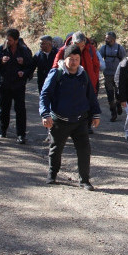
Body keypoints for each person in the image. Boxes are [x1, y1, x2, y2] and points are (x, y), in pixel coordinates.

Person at [40, 44, 102, 191]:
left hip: (80, 120)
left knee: (84, 150)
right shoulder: (56, 74)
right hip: (60, 120)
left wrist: (96, 114)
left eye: (76, 59)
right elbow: (45, 95)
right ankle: (52, 174)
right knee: (56, 148)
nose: (74, 62)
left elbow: (91, 96)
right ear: (65, 59)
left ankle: (84, 180)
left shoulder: (83, 74)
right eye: (71, 59)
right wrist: (45, 114)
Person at [52, 32, 101, 133]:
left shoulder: (90, 49)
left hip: (88, 81)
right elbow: (55, 67)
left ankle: (87, 126)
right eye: (78, 46)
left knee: (89, 102)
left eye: (82, 46)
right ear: (72, 43)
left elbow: (96, 65)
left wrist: (94, 79)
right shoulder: (63, 50)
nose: (80, 49)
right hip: (69, 82)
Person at [0, 28, 33, 144]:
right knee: (4, 108)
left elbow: (31, 65)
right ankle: (3, 130)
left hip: (18, 85)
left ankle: (21, 134)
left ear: (16, 40)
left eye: (10, 40)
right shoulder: (1, 48)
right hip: (4, 83)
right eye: (7, 39)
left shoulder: (24, 50)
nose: (8, 41)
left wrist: (23, 67)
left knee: (20, 110)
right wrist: (1, 61)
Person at [99, 31, 127, 121]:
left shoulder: (119, 48)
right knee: (110, 94)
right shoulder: (103, 48)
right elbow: (99, 59)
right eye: (106, 38)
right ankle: (113, 113)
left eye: (108, 38)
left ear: (113, 39)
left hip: (118, 75)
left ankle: (118, 105)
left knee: (118, 93)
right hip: (107, 75)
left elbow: (124, 60)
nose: (106, 39)